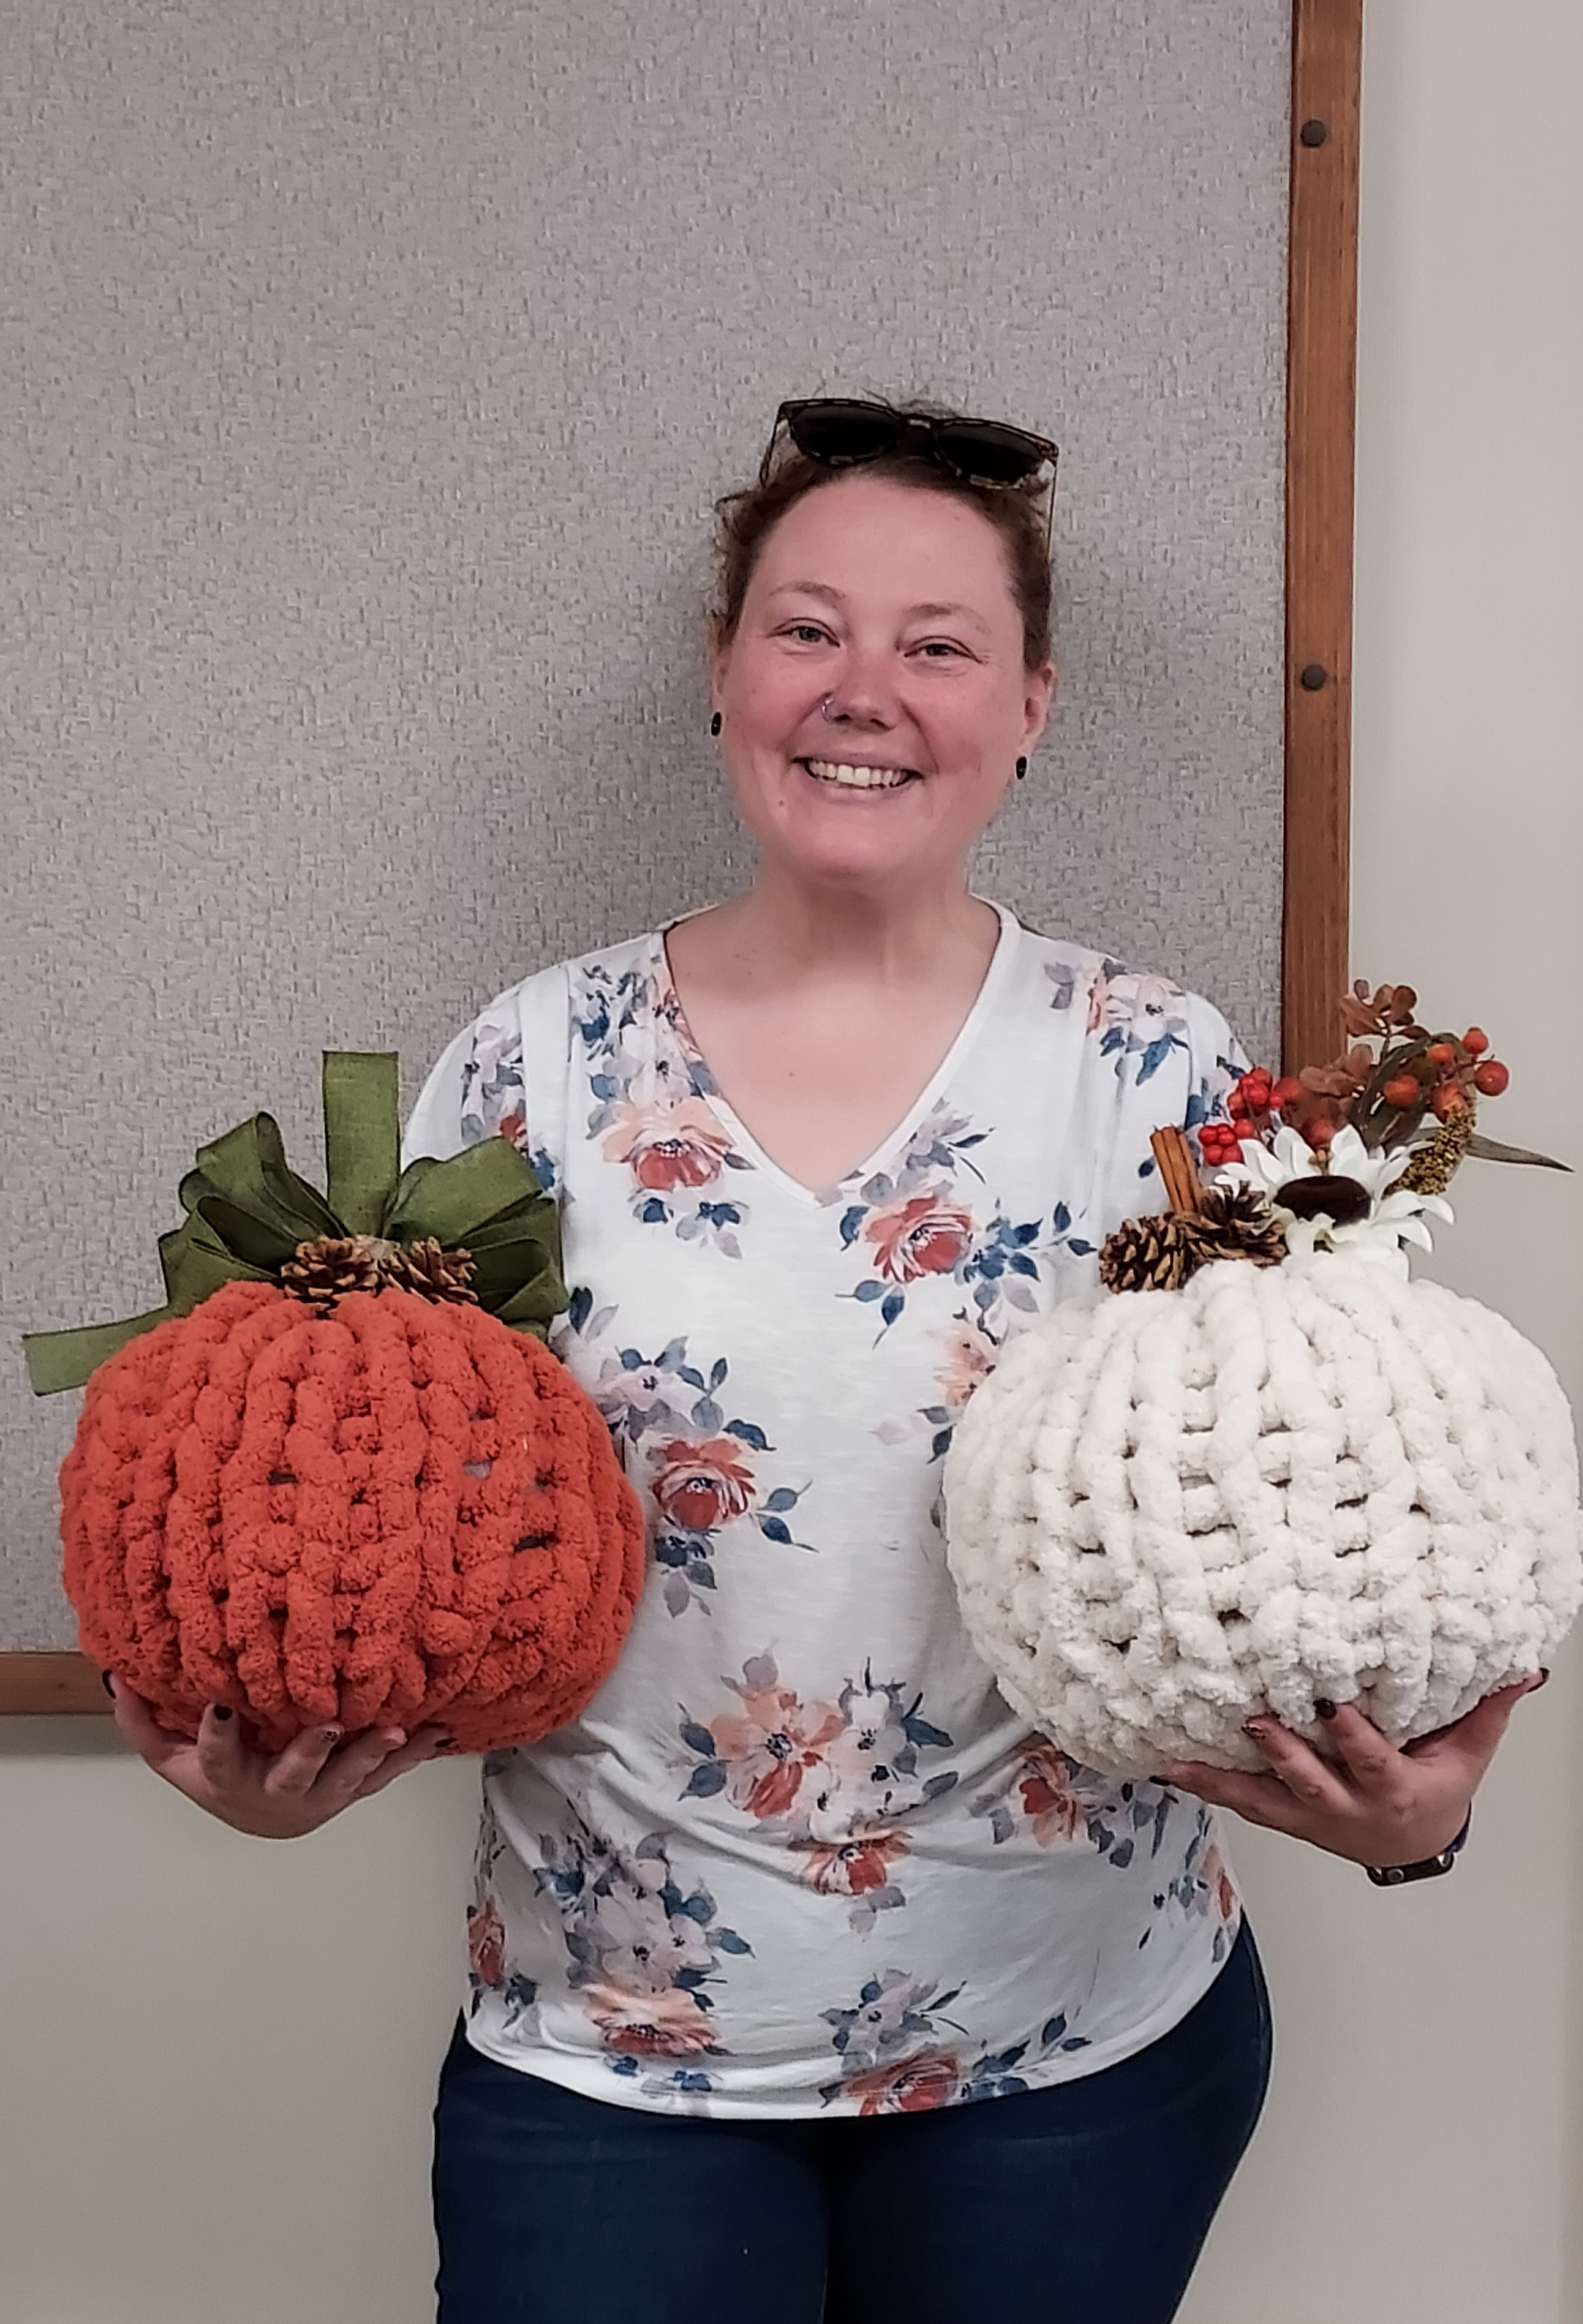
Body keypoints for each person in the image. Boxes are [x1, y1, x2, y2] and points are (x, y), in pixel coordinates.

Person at [107, 396, 1545, 2323]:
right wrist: (287, 1747)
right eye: (808, 629)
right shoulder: (533, 1070)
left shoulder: (1159, 1074)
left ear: (1030, 705)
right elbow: (396, 1496)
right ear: (726, 674)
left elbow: (1334, 1501)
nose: (865, 690)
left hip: (1079, 2055)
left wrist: (1419, 1824)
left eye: (939, 644)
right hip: (609, 2055)